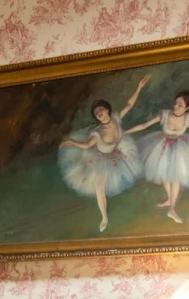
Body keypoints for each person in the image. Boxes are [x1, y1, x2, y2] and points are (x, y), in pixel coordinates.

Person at [56, 74, 150, 232]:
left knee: (125, 173)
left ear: (107, 110)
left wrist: (139, 87)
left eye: (100, 109)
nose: (98, 113)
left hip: (116, 153)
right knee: (99, 188)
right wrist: (72, 143)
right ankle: (104, 218)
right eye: (96, 113)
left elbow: (129, 104)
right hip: (99, 158)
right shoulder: (97, 132)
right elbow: (87, 145)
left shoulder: (116, 118)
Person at [129, 87, 189, 224]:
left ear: (187, 108)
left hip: (180, 149)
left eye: (180, 105)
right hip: (162, 145)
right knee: (164, 174)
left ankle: (172, 209)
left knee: (175, 177)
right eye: (175, 103)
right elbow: (144, 125)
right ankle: (169, 199)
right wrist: (125, 132)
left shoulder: (188, 119)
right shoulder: (165, 114)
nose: (175, 106)